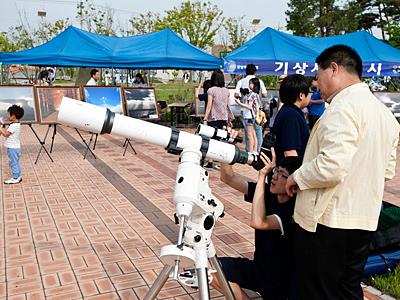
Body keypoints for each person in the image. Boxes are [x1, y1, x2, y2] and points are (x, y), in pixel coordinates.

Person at [285, 45, 400, 300]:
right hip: (365, 218)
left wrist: (296, 178)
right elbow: (387, 171)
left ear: (334, 68)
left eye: (318, 75)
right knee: (348, 288)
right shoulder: (386, 115)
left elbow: (331, 167)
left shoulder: (341, 108)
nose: (316, 83)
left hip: (329, 221)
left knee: (318, 290)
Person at [212, 146, 302, 300]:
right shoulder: (266, 192)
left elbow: (259, 222)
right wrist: (225, 148)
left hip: (282, 282)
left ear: (293, 184)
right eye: (276, 170)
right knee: (210, 270)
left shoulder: (293, 212)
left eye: (282, 174)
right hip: (259, 269)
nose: (274, 176)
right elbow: (228, 178)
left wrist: (262, 176)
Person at [272, 74, 311, 164]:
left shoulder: (289, 111)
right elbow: (290, 152)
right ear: (301, 95)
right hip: (287, 174)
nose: (310, 95)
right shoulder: (291, 115)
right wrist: (295, 176)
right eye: (309, 92)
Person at [204, 70, 235, 169]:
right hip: (224, 118)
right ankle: (221, 162)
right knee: (221, 139)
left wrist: (205, 118)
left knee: (211, 139)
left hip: (213, 118)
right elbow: (227, 106)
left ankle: (210, 161)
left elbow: (209, 105)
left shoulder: (211, 90)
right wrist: (230, 119)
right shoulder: (226, 91)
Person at [235, 64, 267, 152]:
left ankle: (249, 150)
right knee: (258, 132)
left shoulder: (241, 81)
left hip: (246, 111)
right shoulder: (259, 81)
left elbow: (236, 94)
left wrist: (242, 96)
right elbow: (265, 94)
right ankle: (258, 150)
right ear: (255, 71)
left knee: (248, 133)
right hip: (258, 111)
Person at [234, 78, 261, 154]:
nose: (250, 85)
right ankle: (255, 151)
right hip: (254, 116)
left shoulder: (252, 95)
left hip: (249, 116)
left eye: (251, 83)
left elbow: (249, 106)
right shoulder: (256, 94)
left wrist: (239, 103)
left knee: (250, 135)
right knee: (253, 134)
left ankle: (251, 151)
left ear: (255, 84)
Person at [0, 105, 25, 184]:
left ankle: (15, 178)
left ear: (13, 116)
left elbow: (6, 134)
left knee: (13, 163)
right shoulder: (14, 124)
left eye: (8, 114)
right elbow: (5, 132)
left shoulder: (14, 125)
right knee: (15, 162)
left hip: (13, 148)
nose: (7, 115)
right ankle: (18, 176)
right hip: (15, 147)